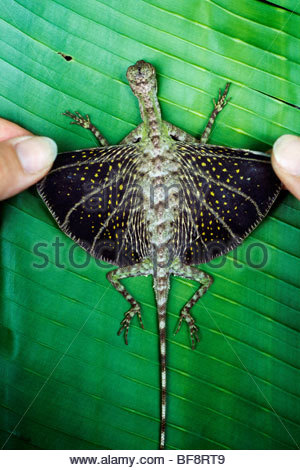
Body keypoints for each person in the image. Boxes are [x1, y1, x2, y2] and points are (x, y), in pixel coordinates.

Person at [0, 117, 299, 201]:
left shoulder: (147, 131)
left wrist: (92, 129)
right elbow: (201, 148)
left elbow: (111, 155)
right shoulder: (151, 130)